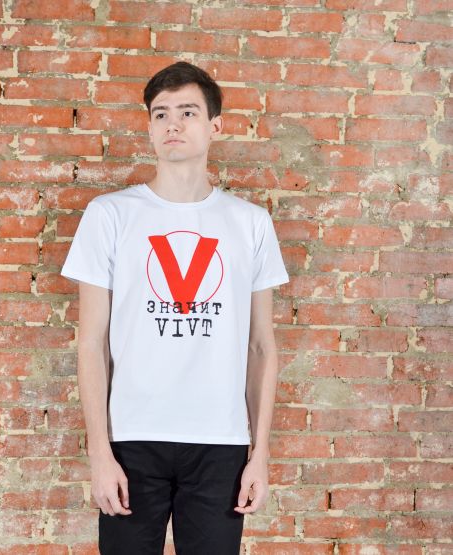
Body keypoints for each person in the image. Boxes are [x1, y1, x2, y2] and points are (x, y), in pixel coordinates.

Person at [60, 61, 289, 555]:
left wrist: (260, 453)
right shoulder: (110, 215)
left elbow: (261, 346)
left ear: (215, 126)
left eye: (188, 112)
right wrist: (99, 452)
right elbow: (91, 343)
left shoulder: (250, 223)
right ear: (149, 127)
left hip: (220, 442)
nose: (173, 124)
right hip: (131, 438)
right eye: (160, 114)